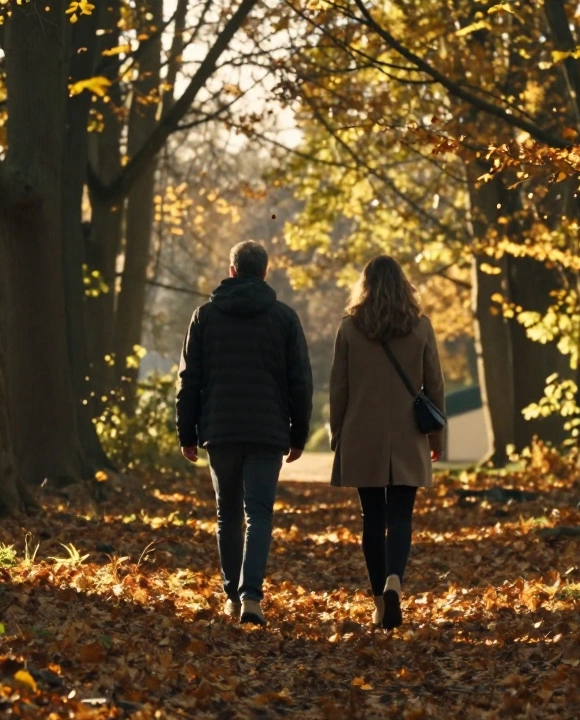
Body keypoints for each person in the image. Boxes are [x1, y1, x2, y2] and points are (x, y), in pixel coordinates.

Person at [176, 240, 312, 625]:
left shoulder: (205, 317)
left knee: (227, 516)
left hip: (220, 430)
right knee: (259, 515)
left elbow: (190, 379)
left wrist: (186, 432)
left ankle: (232, 597)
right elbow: (300, 380)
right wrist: (298, 434)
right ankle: (252, 595)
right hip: (268, 431)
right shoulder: (284, 319)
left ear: (232, 270)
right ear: (265, 272)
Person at [328, 256, 445, 630]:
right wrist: (437, 435)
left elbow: (338, 387)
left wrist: (337, 432)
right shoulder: (421, 327)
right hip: (408, 434)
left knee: (372, 519)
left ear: (365, 287)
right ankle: (395, 579)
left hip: (363, 434)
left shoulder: (349, 329)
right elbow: (435, 385)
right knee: (400, 517)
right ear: (403, 286)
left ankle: (380, 599)